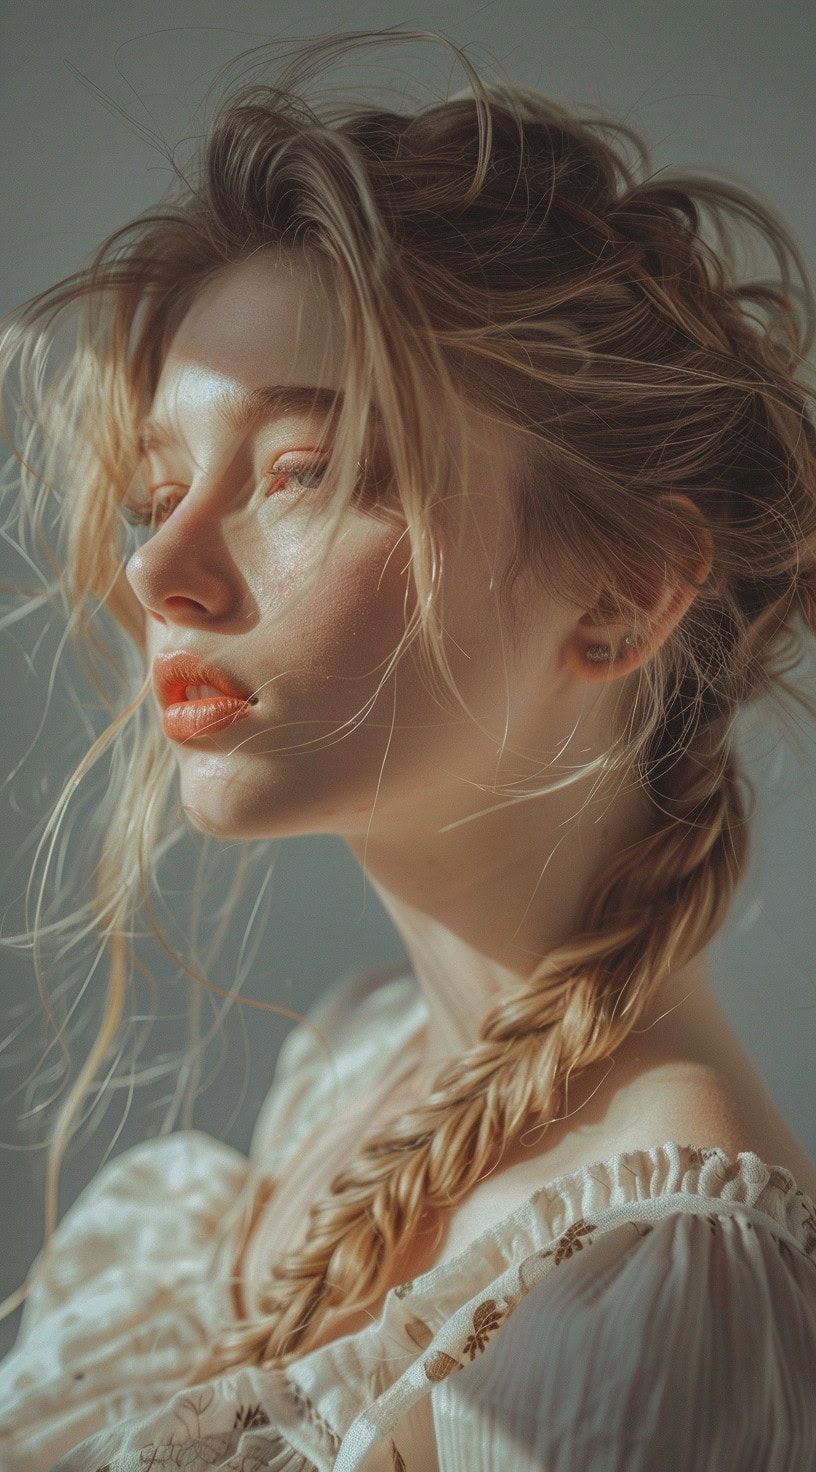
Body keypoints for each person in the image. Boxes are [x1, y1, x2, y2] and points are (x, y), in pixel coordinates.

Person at [0, 25, 815, 1471]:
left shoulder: (652, 1281)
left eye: (303, 472)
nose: (158, 569)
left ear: (624, 591)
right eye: (161, 485)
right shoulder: (360, 1055)